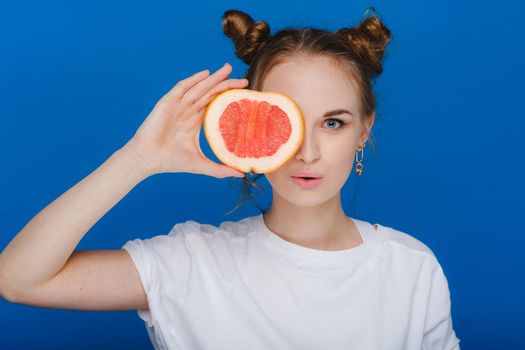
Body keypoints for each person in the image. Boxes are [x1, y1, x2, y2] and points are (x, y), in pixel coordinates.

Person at [0, 7, 461, 350]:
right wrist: (137, 158)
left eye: (333, 122)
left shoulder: (411, 269)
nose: (306, 152)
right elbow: (19, 279)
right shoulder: (190, 263)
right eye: (288, 122)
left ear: (365, 129)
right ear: (251, 126)